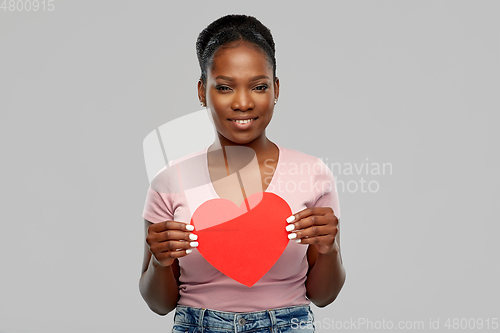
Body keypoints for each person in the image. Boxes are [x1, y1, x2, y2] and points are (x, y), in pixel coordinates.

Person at [139, 14, 345, 333]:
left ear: (275, 89)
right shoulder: (169, 181)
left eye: (259, 86)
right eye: (224, 87)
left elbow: (323, 296)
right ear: (201, 91)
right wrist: (159, 262)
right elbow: (158, 304)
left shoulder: (312, 173)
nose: (243, 102)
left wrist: (329, 250)